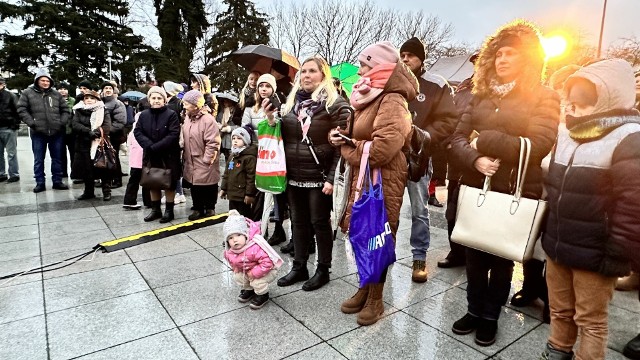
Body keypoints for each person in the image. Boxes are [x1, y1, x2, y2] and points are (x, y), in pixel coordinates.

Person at [448, 20, 560, 346]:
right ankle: (472, 309)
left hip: (516, 189)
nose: (502, 59)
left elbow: (540, 141)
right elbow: (456, 138)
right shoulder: (479, 94)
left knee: (501, 259)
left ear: (527, 58)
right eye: (498, 53)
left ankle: (490, 316)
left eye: (511, 53)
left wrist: (486, 140)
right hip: (475, 186)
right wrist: (474, 158)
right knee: (473, 255)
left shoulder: (544, 96)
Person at [540, 58, 640, 360]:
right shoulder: (568, 133)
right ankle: (557, 350)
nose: (574, 108)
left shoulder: (629, 137)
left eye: (583, 102)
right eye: (572, 101)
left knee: (591, 321)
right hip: (558, 243)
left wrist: (618, 254)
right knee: (560, 309)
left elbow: (633, 205)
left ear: (607, 97)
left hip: (597, 253)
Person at [331, 41, 417, 325]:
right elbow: (357, 132)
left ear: (381, 67)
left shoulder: (392, 99)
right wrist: (342, 134)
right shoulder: (367, 96)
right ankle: (364, 287)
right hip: (363, 176)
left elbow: (383, 148)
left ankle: (376, 299)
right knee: (360, 233)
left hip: (384, 180)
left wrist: (346, 146)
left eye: (365, 64)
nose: (359, 69)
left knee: (377, 236)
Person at [265, 56, 349, 292]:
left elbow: (342, 146)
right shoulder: (292, 104)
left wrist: (332, 178)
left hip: (319, 176)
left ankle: (323, 269)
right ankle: (299, 266)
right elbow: (284, 136)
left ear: (324, 75)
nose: (306, 76)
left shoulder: (335, 104)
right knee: (298, 222)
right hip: (293, 174)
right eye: (303, 71)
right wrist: (272, 119)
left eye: (312, 71)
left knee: (320, 223)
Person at [510, 64, 582, 324]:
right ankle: (530, 287)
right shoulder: (544, 112)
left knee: (553, 249)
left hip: (566, 194)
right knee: (532, 242)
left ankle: (554, 299)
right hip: (537, 185)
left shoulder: (581, 123)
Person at [398, 36, 458, 283]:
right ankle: (384, 254)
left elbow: (448, 120)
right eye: (402, 55)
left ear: (420, 58)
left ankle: (419, 257)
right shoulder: (392, 82)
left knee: (420, 211)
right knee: (386, 209)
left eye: (410, 55)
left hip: (419, 158)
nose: (405, 59)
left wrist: (425, 136)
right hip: (391, 157)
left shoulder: (436, 84)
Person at [438, 53, 479, 269]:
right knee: (452, 210)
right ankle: (456, 253)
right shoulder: (463, 89)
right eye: (475, 63)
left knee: (475, 212)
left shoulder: (491, 93)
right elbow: (447, 119)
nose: (478, 67)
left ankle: (476, 257)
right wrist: (448, 143)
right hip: (456, 160)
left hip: (481, 163)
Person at [17, 68, 71, 193]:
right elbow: (21, 109)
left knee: (57, 158)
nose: (46, 83)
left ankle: (57, 181)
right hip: (38, 132)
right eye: (43, 80)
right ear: (37, 81)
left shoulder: (56, 93)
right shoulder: (27, 93)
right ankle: (40, 182)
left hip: (56, 132)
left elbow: (65, 110)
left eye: (47, 81)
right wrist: (32, 123)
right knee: (38, 159)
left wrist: (61, 123)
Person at [134, 86, 182, 223]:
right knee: (152, 182)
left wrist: (157, 146)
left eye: (159, 98)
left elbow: (173, 134)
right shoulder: (143, 115)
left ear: (164, 100)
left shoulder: (171, 114)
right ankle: (155, 210)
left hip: (168, 155)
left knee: (169, 183)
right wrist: (149, 145)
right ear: (149, 100)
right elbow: (138, 132)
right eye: (153, 98)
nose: (156, 100)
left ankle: (169, 211)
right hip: (150, 154)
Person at [223, 210, 280, 310]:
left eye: (238, 235)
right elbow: (230, 260)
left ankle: (263, 295)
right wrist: (235, 268)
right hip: (247, 270)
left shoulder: (255, 247)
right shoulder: (230, 251)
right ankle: (249, 290)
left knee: (257, 282)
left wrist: (254, 273)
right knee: (238, 277)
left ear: (246, 235)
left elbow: (267, 262)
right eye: (231, 238)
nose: (235, 240)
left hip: (266, 270)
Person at [181, 90, 221, 221]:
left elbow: (213, 142)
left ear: (195, 105)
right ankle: (197, 208)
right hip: (191, 158)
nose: (184, 105)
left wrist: (208, 159)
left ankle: (210, 207)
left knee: (208, 184)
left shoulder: (208, 120)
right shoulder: (187, 117)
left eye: (187, 103)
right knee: (195, 185)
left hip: (204, 158)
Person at [71, 90, 113, 201]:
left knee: (102, 167)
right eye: (86, 98)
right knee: (86, 168)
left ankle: (106, 191)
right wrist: (88, 132)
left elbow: (107, 125)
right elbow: (75, 124)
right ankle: (88, 191)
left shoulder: (103, 110)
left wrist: (97, 133)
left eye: (92, 98)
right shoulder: (78, 110)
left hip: (99, 142)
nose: (89, 100)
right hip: (83, 142)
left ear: (97, 100)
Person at [219, 127, 257, 218]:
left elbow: (251, 177)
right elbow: (227, 173)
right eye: (233, 138)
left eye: (239, 138)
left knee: (244, 218)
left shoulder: (249, 157)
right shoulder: (232, 156)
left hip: (243, 196)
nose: (235, 141)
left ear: (246, 141)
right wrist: (224, 188)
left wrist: (249, 194)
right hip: (232, 195)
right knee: (233, 217)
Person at [162, 81, 187, 206]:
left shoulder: (175, 104)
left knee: (173, 166)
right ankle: (177, 191)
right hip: (174, 139)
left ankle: (178, 192)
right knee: (173, 166)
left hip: (174, 140)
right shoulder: (175, 103)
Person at [100, 82, 127, 188]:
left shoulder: (117, 104)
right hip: (101, 135)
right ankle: (106, 180)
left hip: (113, 135)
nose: (107, 90)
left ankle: (117, 180)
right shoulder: (99, 103)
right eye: (105, 88)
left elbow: (120, 122)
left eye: (109, 88)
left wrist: (107, 131)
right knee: (103, 158)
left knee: (114, 157)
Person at [242, 74, 277, 142]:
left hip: (271, 147)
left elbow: (278, 130)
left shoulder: (278, 106)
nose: (264, 89)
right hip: (253, 146)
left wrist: (271, 118)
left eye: (268, 86)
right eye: (261, 86)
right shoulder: (250, 106)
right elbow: (244, 128)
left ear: (273, 89)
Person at [0, 77, 20, 183]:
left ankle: (14, 174)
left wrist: (14, 125)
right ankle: (1, 174)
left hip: (9, 128)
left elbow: (18, 111)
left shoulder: (11, 95)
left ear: (3, 85)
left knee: (11, 153)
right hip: (4, 127)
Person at [57, 81, 75, 180]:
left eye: (65, 89)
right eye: (60, 89)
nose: (63, 91)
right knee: (61, 153)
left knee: (73, 153)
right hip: (60, 131)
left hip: (71, 131)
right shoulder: (55, 100)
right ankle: (63, 172)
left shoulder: (73, 100)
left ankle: (74, 172)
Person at [217, 94, 242, 159]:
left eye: (227, 101)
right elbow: (218, 121)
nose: (225, 103)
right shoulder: (221, 112)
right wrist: (218, 125)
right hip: (222, 140)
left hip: (232, 141)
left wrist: (229, 128)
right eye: (224, 101)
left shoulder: (236, 112)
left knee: (232, 161)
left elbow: (241, 126)